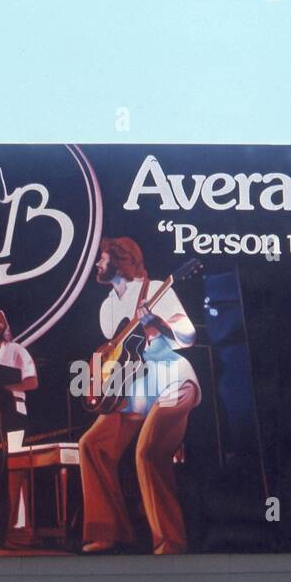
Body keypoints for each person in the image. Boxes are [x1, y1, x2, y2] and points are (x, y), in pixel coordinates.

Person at [78, 236, 201, 555]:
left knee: (148, 453)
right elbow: (116, 354)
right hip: (136, 391)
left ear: (120, 258)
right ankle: (109, 532)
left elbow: (188, 335)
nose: (97, 263)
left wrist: (157, 321)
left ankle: (170, 543)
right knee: (92, 445)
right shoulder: (107, 308)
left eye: (102, 257)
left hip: (173, 382)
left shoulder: (156, 288)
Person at [0, 309, 38, 442]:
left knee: (14, 457)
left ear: (5, 325)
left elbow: (33, 382)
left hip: (14, 412)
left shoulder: (16, 349)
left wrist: (4, 389)